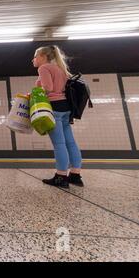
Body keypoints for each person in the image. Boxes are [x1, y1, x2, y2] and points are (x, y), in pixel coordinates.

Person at [31, 45, 83, 188]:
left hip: (54, 108)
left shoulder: (44, 68)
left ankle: (61, 176)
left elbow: (48, 88)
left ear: (42, 56)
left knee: (59, 143)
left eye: (35, 56)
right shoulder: (60, 68)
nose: (33, 60)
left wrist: (34, 93)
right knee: (70, 142)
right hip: (66, 107)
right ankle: (75, 175)